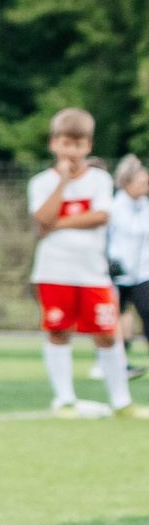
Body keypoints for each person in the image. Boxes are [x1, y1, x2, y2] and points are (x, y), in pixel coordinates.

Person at [28, 109, 141, 418]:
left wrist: (58, 224)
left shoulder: (100, 179)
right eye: (66, 144)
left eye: (78, 145)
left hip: (93, 272)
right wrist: (62, 181)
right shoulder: (41, 182)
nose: (72, 152)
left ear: (88, 146)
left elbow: (100, 216)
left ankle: (121, 401)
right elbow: (42, 219)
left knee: (107, 333)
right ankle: (64, 399)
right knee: (58, 330)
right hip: (54, 270)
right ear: (54, 144)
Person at [106, 155, 149, 374]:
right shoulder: (114, 207)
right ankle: (115, 364)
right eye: (142, 183)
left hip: (142, 274)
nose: (146, 187)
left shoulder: (145, 207)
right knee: (114, 320)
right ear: (127, 184)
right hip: (117, 274)